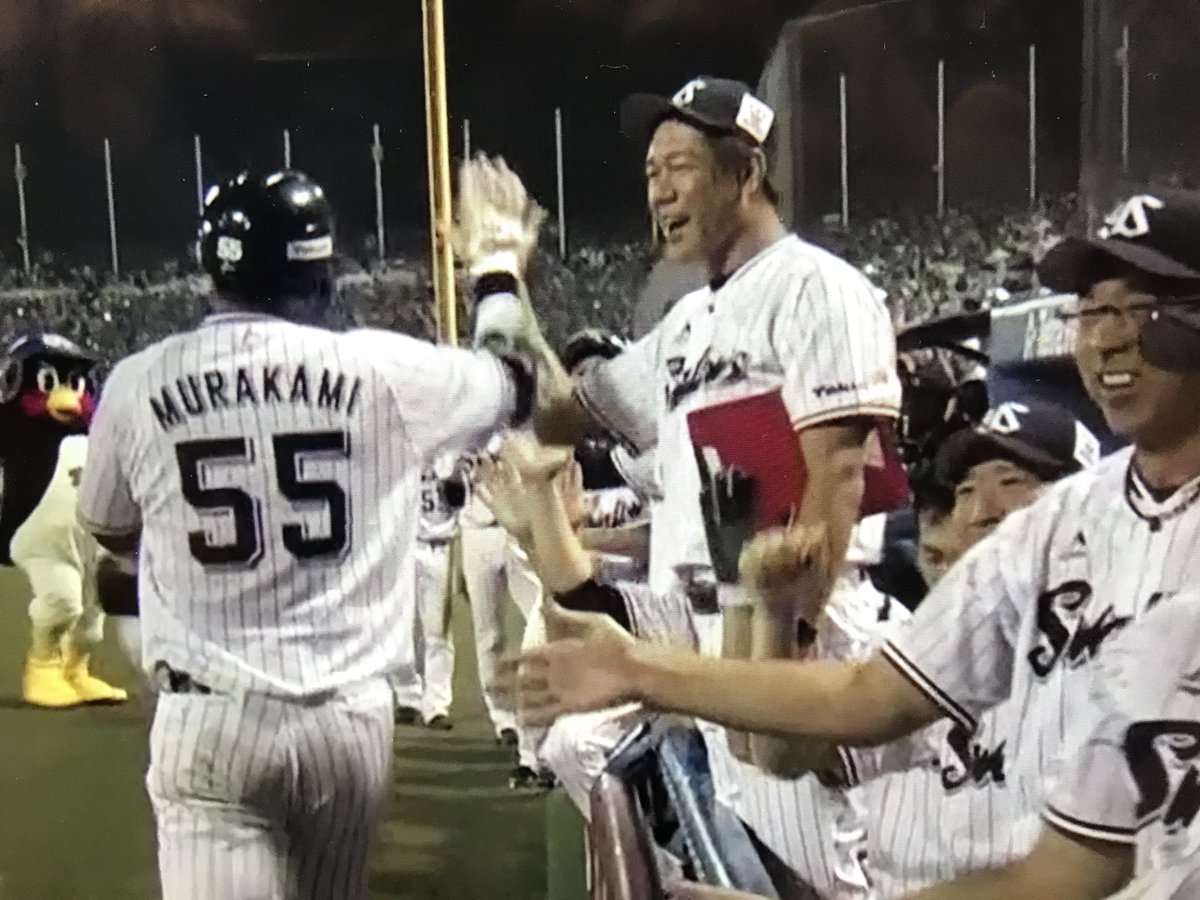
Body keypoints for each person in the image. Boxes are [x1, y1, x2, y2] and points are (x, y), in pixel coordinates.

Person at [502, 188, 1200, 897]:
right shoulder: (1059, 527)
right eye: (1092, 311)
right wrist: (663, 657)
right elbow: (863, 703)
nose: (1107, 338)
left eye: (1141, 309)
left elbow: (1067, 876)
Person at [467, 74, 902, 895]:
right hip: (709, 632)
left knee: (818, 872)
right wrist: (499, 278)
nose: (659, 192)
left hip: (793, 632)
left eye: (680, 168)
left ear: (746, 172)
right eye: (650, 173)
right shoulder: (687, 325)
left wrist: (789, 646)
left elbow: (840, 472)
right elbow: (558, 414)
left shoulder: (816, 286)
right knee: (735, 866)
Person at [76, 168, 536, 900]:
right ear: (321, 273)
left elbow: (109, 527)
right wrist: (497, 264)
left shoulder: (138, 381)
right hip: (349, 720)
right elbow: (516, 380)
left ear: (213, 272)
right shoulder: (382, 368)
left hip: (210, 714)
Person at [850, 398, 1099, 898]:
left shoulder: (1129, 640)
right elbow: (794, 753)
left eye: (1011, 482)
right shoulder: (919, 653)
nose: (983, 511)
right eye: (965, 490)